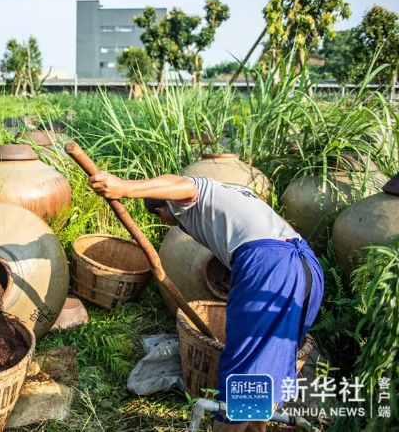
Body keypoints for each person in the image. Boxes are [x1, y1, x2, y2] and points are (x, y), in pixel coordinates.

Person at [88, 171, 324, 432]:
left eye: (161, 217)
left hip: (271, 266)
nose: (167, 222)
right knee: (266, 361)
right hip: (307, 268)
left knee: (244, 368)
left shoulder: (189, 198)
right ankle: (257, 429)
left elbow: (183, 185)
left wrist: (124, 188)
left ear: (163, 208)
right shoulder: (233, 193)